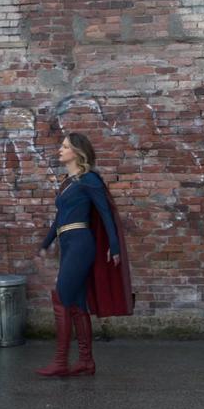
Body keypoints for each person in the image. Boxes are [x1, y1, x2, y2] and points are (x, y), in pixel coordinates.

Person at [36, 132, 131, 377]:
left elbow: (106, 213)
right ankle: (86, 361)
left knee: (61, 297)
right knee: (77, 304)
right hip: (67, 242)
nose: (60, 150)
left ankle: (60, 362)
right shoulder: (68, 182)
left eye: (65, 146)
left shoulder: (90, 179)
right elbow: (59, 218)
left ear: (78, 153)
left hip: (80, 243)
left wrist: (115, 245)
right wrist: (45, 244)